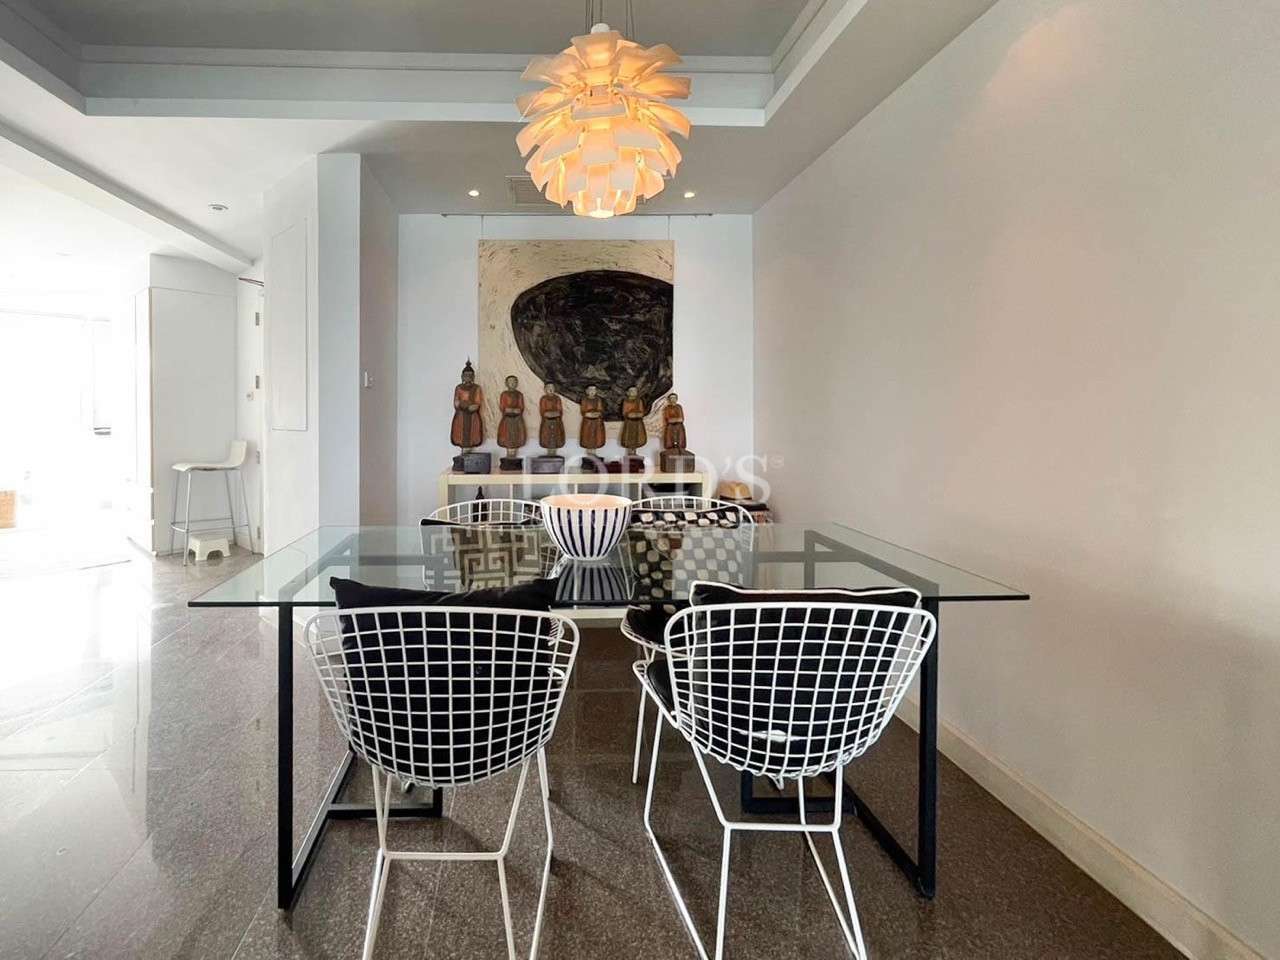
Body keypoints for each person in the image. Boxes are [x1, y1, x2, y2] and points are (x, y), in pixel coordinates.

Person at [450, 360, 484, 451]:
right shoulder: (459, 388)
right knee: (461, 435)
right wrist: (465, 405)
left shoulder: (476, 388)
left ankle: (469, 452)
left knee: (472, 435)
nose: (468, 377)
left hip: (473, 415)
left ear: (473, 377)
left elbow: (477, 403)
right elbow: (456, 402)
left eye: (470, 375)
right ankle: (464, 452)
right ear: (462, 376)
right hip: (461, 415)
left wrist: (470, 406)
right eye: (466, 375)